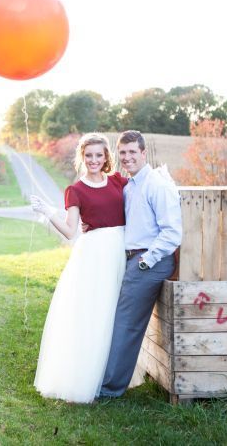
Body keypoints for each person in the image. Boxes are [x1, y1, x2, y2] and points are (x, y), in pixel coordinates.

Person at [29, 133, 128, 404]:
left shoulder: (118, 181)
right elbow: (71, 231)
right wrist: (49, 213)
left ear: (107, 157)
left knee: (115, 313)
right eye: (89, 155)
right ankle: (84, 377)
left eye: (99, 155)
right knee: (93, 312)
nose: (94, 160)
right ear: (81, 157)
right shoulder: (76, 190)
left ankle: (113, 374)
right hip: (94, 254)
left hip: (119, 250)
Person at [98, 129, 182, 398]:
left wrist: (146, 261)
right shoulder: (130, 185)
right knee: (116, 317)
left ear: (143, 153)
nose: (127, 157)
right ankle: (109, 378)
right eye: (122, 152)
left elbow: (172, 232)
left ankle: (110, 389)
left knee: (125, 323)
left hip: (149, 261)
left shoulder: (156, 185)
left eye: (133, 151)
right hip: (133, 258)